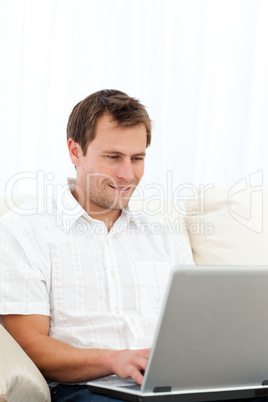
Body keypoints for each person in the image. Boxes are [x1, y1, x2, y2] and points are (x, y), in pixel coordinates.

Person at [0, 89, 194, 401]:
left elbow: (199, 332)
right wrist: (114, 360)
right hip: (85, 390)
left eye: (137, 158)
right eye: (113, 157)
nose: (127, 174)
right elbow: (27, 342)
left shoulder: (166, 238)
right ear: (75, 151)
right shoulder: (24, 230)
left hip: (167, 387)